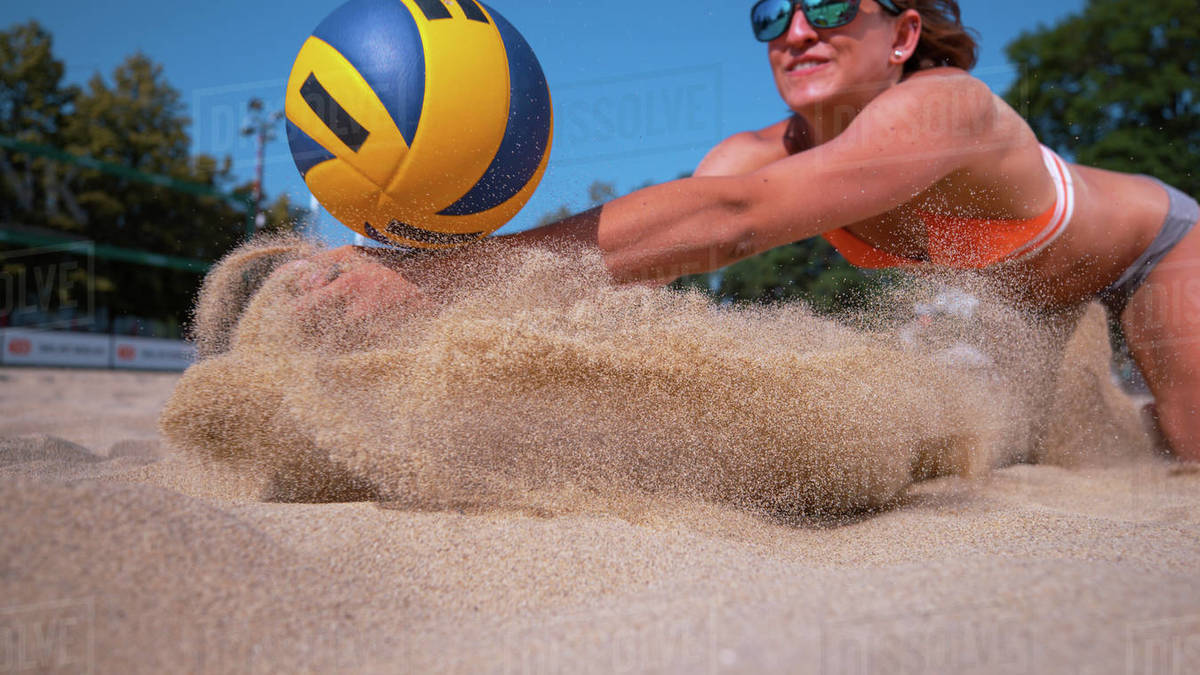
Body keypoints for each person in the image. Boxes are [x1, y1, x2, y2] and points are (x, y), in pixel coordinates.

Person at [290, 0, 1199, 461]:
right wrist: (426, 314)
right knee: (1062, 454)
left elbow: (734, 223)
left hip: (1150, 253)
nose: (798, 30)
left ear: (903, 34)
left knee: (1189, 454)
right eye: (774, 13)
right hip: (1022, 308)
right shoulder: (753, 151)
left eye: (834, 5)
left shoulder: (946, 109)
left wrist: (442, 276)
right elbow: (654, 248)